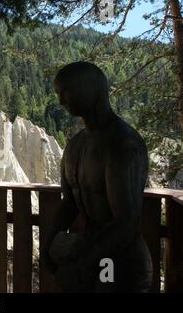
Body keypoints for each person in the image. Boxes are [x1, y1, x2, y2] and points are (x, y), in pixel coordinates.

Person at [42, 61, 153, 292]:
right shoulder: (74, 147)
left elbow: (126, 222)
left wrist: (83, 262)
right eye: (58, 94)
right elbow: (69, 203)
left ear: (89, 88)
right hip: (90, 254)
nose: (61, 101)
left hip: (120, 262)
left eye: (66, 92)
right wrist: (48, 242)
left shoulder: (123, 144)